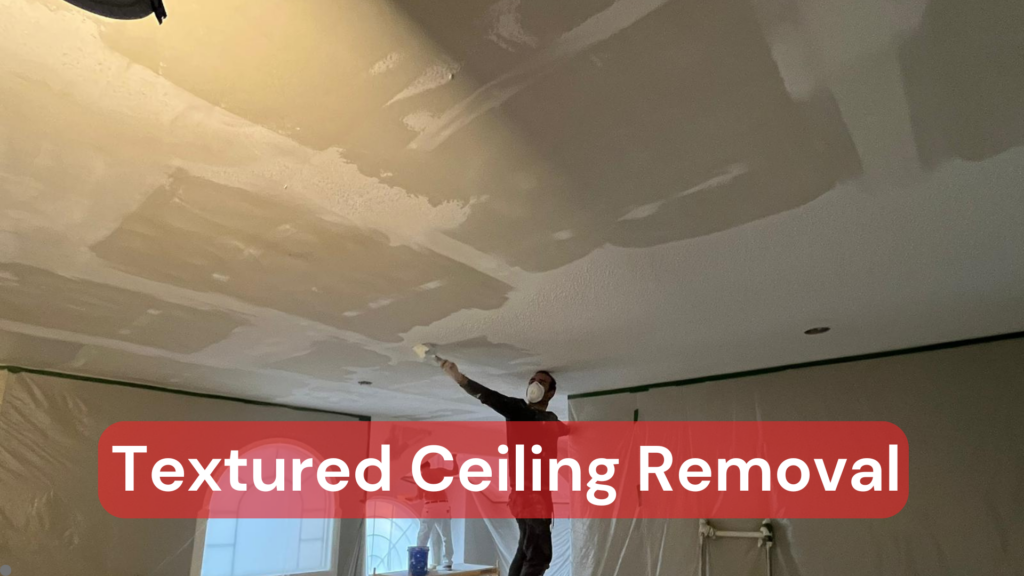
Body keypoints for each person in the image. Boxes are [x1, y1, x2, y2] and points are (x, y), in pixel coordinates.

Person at [440, 360, 568, 576]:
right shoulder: (519, 411)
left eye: (542, 382)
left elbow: (563, 429)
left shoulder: (550, 419)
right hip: (531, 495)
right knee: (538, 556)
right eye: (532, 380)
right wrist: (461, 379)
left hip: (527, 496)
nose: (535, 384)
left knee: (526, 550)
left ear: (551, 393)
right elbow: (491, 397)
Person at [403, 458, 458, 570]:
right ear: (429, 465)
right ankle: (448, 562)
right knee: (446, 536)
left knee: (423, 536)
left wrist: (407, 499)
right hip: (443, 506)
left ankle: (419, 563)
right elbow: (455, 471)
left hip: (430, 507)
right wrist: (455, 458)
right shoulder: (439, 470)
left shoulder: (421, 477)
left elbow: (418, 497)